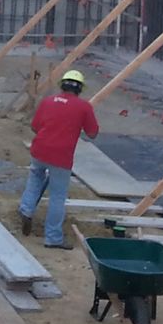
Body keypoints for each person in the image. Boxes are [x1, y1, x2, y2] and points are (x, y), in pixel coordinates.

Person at [20, 68, 99, 249]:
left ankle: (26, 209)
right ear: (80, 89)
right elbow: (92, 133)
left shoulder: (47, 101)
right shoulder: (84, 107)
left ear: (62, 85)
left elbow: (34, 127)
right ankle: (53, 237)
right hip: (61, 157)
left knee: (34, 179)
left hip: (39, 150)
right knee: (57, 196)